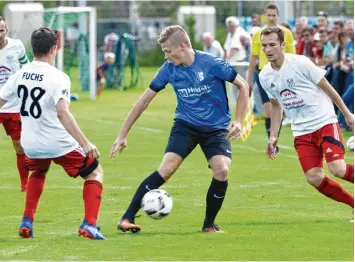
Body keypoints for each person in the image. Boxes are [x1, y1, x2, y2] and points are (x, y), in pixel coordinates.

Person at [111, 25, 249, 233]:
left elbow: (243, 86)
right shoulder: (168, 69)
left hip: (215, 128)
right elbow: (144, 100)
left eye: (168, 51)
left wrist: (238, 121)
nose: (166, 56)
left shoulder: (212, 64)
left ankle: (209, 225)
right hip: (185, 125)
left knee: (222, 170)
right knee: (167, 168)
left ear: (182, 47)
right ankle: (127, 218)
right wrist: (122, 134)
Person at [0, 27, 105, 240]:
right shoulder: (58, 77)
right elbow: (62, 112)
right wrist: (85, 143)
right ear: (54, 48)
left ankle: (27, 222)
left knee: (38, 172)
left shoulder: (20, 74)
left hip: (30, 142)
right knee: (95, 173)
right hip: (56, 142)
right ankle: (90, 225)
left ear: (33, 48)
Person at [258, 27, 354, 217]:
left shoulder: (301, 63)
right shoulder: (265, 76)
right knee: (313, 177)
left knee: (338, 169)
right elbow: (276, 106)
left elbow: (327, 87)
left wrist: (347, 114)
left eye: (272, 45)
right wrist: (273, 136)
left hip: (324, 121)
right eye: (264, 46)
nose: (268, 50)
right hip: (301, 131)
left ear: (283, 45)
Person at [247, 3, 295, 153]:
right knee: (268, 109)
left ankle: (275, 140)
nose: (272, 17)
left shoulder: (286, 32)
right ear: (265, 16)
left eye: (274, 15)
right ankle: (272, 142)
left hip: (282, 75)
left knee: (280, 107)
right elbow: (253, 58)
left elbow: (292, 55)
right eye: (269, 15)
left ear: (278, 16)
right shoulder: (258, 34)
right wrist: (249, 79)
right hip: (264, 75)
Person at [0, 16, 29, 192]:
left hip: (13, 106)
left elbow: (26, 69)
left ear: (6, 30)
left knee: (19, 146)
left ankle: (24, 183)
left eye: (1, 30)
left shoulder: (17, 46)